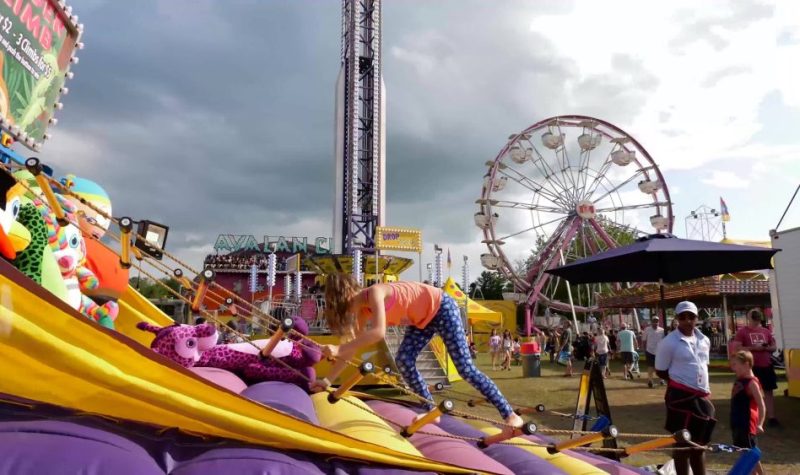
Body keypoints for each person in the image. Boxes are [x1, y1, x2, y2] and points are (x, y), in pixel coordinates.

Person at [314, 274, 524, 429]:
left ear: (349, 295)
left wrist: (338, 348)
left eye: (345, 306)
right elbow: (354, 346)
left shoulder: (375, 293)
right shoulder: (362, 311)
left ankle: (509, 413)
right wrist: (327, 381)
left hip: (442, 308)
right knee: (404, 360)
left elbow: (378, 333)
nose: (349, 312)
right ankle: (430, 408)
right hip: (422, 321)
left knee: (466, 369)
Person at [655, 301, 715, 475]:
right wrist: (681, 383)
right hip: (680, 396)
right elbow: (660, 370)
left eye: (691, 316)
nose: (687, 320)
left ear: (697, 318)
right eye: (683, 317)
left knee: (699, 445)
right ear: (677, 318)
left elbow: (703, 366)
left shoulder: (705, 340)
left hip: (701, 397)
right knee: (682, 445)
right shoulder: (668, 342)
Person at [733, 309, 779, 427]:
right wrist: (754, 348)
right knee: (750, 393)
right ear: (749, 317)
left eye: (757, 316)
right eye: (754, 316)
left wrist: (764, 348)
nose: (756, 318)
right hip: (751, 368)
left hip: (766, 365)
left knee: (768, 391)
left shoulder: (766, 331)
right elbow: (737, 348)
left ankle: (772, 417)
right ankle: (752, 418)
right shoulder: (742, 332)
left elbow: (774, 347)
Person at [730, 350, 766, 475]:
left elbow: (761, 405)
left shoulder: (752, 383)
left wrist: (760, 423)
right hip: (737, 422)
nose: (732, 368)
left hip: (747, 424)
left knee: (750, 453)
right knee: (745, 453)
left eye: (735, 364)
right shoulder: (740, 380)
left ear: (746, 365)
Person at [642, 316, 665, 388]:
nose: (655, 323)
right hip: (649, 351)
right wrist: (644, 349)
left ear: (658, 322)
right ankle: (650, 381)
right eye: (654, 321)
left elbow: (664, 341)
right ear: (651, 322)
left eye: (657, 321)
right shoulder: (647, 329)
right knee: (650, 367)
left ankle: (662, 380)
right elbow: (644, 340)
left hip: (660, 351)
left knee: (661, 367)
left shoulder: (662, 330)